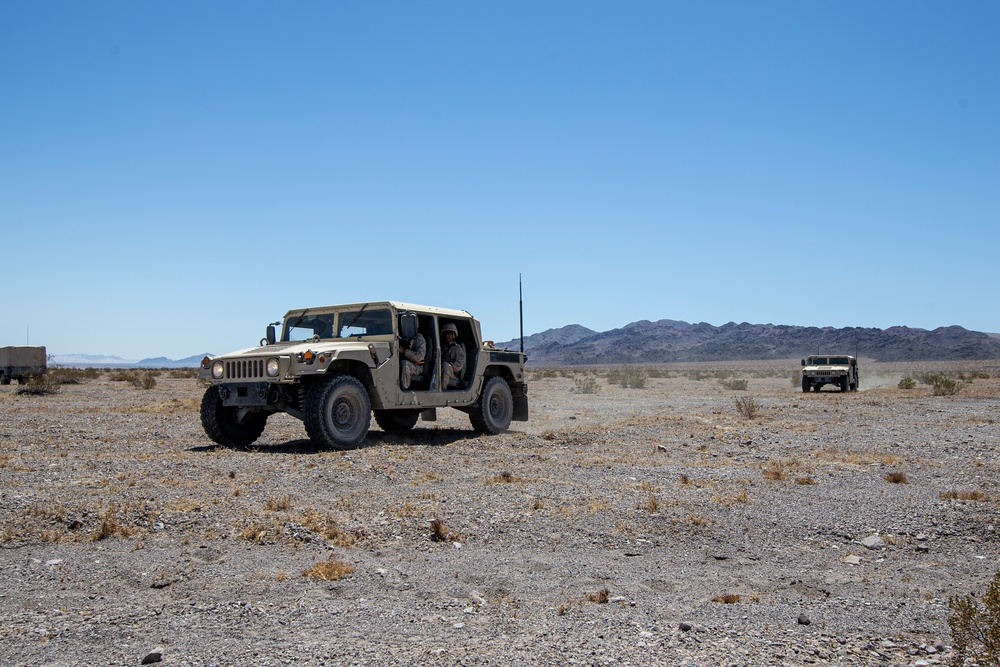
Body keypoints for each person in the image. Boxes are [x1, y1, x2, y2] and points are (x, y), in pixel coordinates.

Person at [440, 322, 465, 390]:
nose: (447, 336)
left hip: (451, 374)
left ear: (453, 335)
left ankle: (442, 389)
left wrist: (449, 364)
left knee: (446, 366)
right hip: (441, 370)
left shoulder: (457, 348)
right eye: (446, 333)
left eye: (449, 334)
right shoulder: (442, 347)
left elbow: (459, 365)